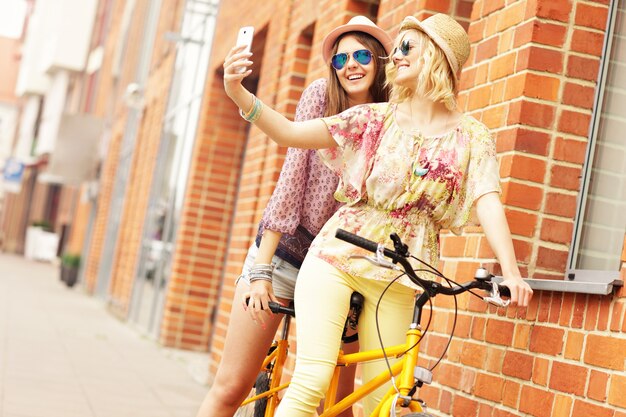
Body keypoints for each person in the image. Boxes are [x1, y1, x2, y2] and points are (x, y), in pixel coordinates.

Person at [222, 12, 534, 417]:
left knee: (377, 404)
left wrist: (511, 272)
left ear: (437, 58)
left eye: (407, 48)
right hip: (335, 260)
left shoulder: (472, 137)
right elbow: (288, 133)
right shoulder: (373, 119)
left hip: (401, 277)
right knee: (312, 381)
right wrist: (237, 92)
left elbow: (488, 199)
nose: (396, 57)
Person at [195, 16, 392, 417]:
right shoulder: (321, 95)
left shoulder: (392, 120)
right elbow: (291, 178)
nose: (351, 65)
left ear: (379, 61)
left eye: (361, 55)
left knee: (336, 405)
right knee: (232, 386)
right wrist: (262, 269)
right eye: (340, 59)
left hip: (342, 267)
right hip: (286, 252)